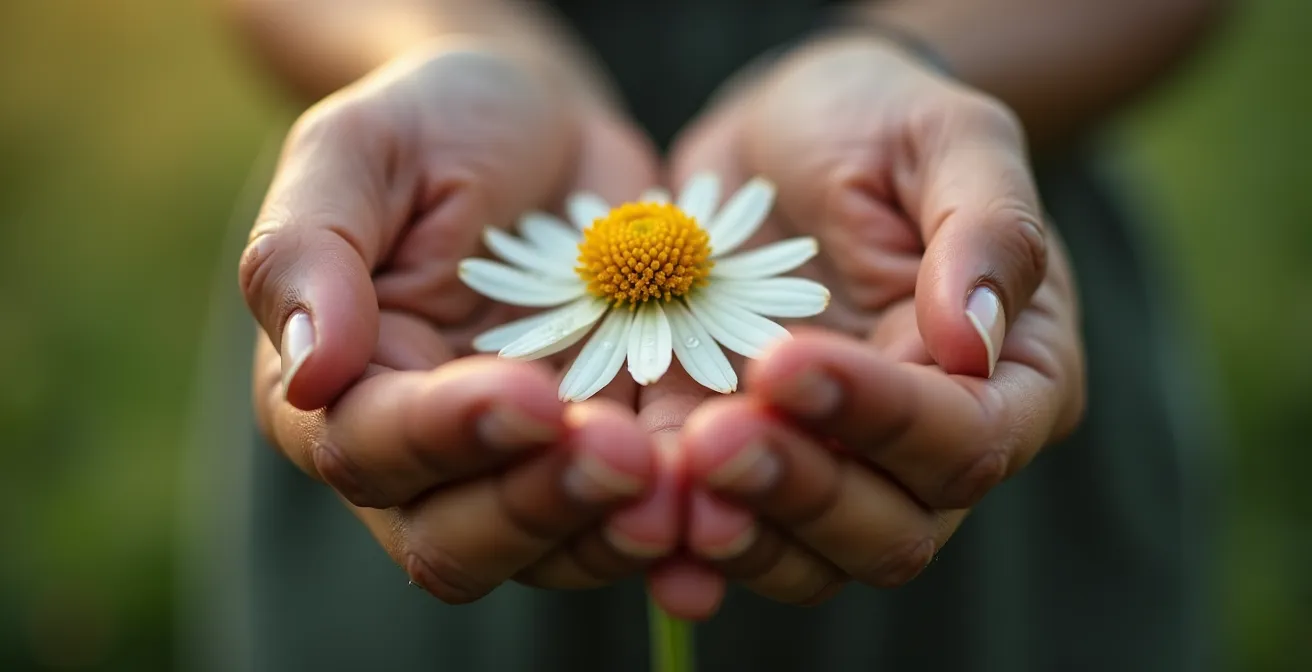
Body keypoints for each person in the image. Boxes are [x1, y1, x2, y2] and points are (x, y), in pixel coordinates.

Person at [181, 0, 1227, 670]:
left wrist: (906, 57)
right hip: (430, 233)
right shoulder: (482, 262)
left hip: (916, 212)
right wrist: (443, 43)